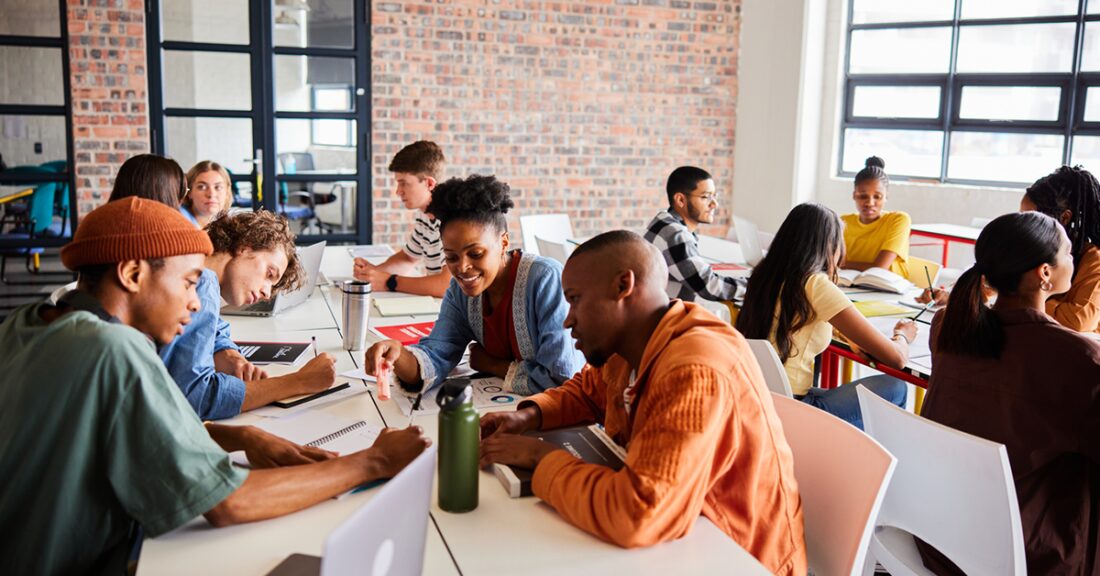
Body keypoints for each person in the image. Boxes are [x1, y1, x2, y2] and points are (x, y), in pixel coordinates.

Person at [0, 197, 430, 576]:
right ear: (132, 273)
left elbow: (116, 428)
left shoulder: (30, 321)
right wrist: (373, 461)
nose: (195, 301)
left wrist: (235, 435)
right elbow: (229, 503)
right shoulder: (115, 348)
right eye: (189, 281)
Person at [478, 231, 806, 575]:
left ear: (623, 286)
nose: (567, 319)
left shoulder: (694, 369)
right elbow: (590, 391)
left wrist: (539, 456)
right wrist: (528, 417)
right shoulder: (633, 342)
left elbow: (638, 514)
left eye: (575, 299)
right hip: (682, 538)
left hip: (738, 555)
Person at [918, 211, 1100, 575]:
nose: (1073, 260)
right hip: (1028, 552)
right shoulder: (1078, 359)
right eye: (1067, 253)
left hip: (938, 533)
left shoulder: (948, 327)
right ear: (1044, 273)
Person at [363, 174, 584, 395]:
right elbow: (435, 355)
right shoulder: (460, 293)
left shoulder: (545, 279)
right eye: (451, 257)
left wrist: (491, 364)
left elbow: (562, 380)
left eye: (476, 253)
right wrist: (398, 354)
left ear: (503, 242)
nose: (463, 267)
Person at [735, 203, 914, 429]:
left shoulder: (763, 274)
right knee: (895, 386)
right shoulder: (814, 283)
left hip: (759, 398)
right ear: (829, 246)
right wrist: (903, 336)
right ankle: (869, 460)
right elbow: (897, 358)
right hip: (793, 407)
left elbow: (794, 322)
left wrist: (850, 337)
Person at [157, 210, 341, 420]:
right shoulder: (202, 284)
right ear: (244, 248)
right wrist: (299, 381)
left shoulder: (196, 266)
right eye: (269, 274)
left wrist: (227, 352)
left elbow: (215, 325)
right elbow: (196, 397)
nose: (266, 293)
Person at [353, 141, 452, 297]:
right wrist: (373, 273)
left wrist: (388, 282)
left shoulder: (453, 220)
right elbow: (408, 258)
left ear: (429, 183)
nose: (398, 192)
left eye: (404, 183)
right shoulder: (424, 215)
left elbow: (446, 285)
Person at [643, 165, 745, 302]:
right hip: (666, 317)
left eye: (715, 196)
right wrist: (759, 286)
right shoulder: (675, 235)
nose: (714, 204)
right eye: (706, 197)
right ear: (680, 200)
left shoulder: (663, 221)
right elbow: (709, 287)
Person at [840, 156, 911, 278]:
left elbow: (879, 268)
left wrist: (842, 264)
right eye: (863, 196)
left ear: (886, 197)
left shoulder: (899, 220)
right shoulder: (842, 221)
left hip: (889, 292)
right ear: (854, 196)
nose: (869, 203)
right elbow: (829, 262)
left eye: (877, 197)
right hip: (850, 287)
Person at [181, 160, 234, 228]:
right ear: (189, 192)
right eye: (202, 187)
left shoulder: (229, 225)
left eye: (218, 187)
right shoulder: (178, 222)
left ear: (227, 192)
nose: (211, 194)